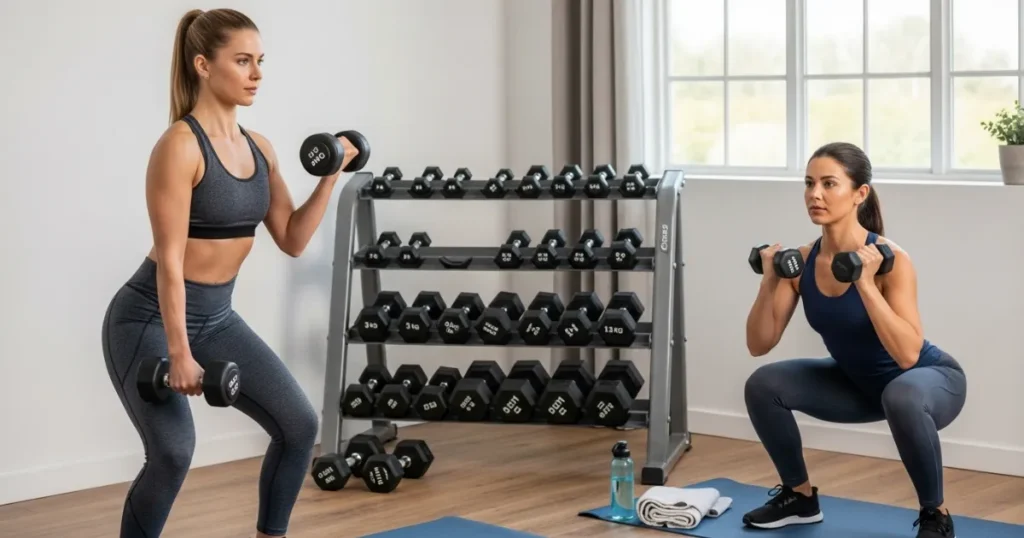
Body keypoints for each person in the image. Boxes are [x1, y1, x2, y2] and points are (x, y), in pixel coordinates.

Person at [101, 9, 361, 538]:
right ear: (203, 64)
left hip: (217, 320)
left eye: (260, 61)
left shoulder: (260, 148)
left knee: (298, 426)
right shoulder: (179, 146)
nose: (256, 74)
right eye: (242, 61)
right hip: (147, 319)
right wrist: (178, 353)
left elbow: (290, 237)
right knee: (173, 453)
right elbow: (170, 261)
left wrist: (330, 178)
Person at [740, 142, 967, 538]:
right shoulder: (803, 261)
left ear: (860, 193)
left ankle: (936, 515)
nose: (815, 194)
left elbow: (908, 354)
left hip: (929, 382)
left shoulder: (889, 260)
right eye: (809, 183)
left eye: (829, 184)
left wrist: (863, 283)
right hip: (860, 386)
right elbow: (759, 344)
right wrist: (769, 280)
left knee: (901, 394)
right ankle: (799, 497)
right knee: (763, 384)